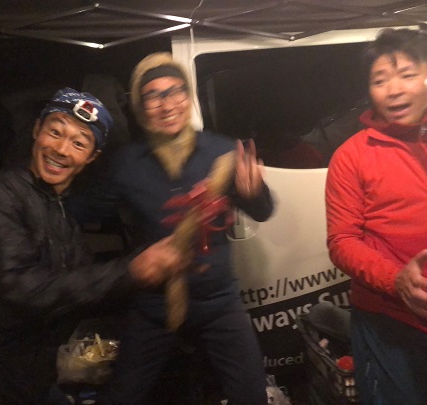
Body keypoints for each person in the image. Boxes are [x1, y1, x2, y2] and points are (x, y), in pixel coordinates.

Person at [0, 88, 188, 404]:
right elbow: (21, 288)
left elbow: (81, 293)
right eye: (55, 132)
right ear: (37, 130)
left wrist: (156, 277)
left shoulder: (61, 213)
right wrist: (131, 271)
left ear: (91, 157)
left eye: (79, 143)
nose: (61, 149)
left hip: (20, 376)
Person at [69, 52, 275, 405]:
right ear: (139, 106)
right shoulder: (127, 164)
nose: (167, 104)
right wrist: (38, 184)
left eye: (175, 91)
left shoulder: (222, 152)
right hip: (154, 302)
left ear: (188, 96)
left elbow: (263, 211)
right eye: (153, 95)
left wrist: (254, 194)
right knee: (122, 396)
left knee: (251, 395)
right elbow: (81, 210)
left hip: (218, 301)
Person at [325, 29, 427, 405]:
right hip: (390, 321)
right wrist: (395, 279)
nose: (393, 90)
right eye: (380, 80)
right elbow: (342, 240)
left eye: (407, 75)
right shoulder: (352, 156)